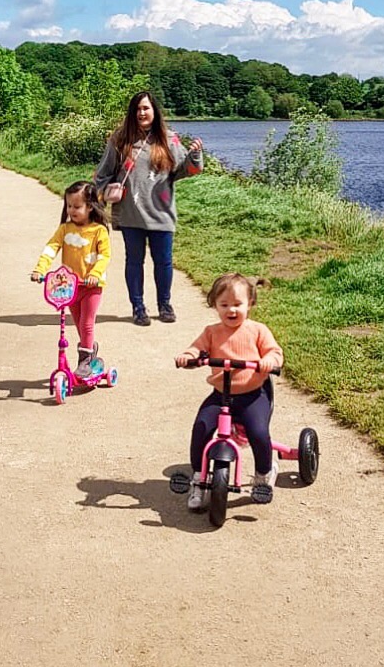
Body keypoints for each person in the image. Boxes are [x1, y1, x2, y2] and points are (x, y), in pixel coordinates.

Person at [175, 273, 283, 512]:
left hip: (253, 394)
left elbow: (275, 352)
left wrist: (268, 361)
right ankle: (198, 478)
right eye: (224, 305)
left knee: (258, 431)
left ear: (250, 303)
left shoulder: (257, 330)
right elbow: (196, 348)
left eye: (237, 304)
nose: (231, 310)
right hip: (220, 395)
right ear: (214, 305)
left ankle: (264, 474)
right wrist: (189, 356)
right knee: (202, 426)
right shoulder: (212, 332)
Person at [94, 91, 203, 327]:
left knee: (164, 261)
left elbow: (187, 171)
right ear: (132, 113)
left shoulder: (169, 140)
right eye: (138, 109)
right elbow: (102, 174)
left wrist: (195, 155)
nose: (142, 113)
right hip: (130, 213)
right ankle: (138, 308)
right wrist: (100, 198)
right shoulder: (120, 141)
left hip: (162, 212)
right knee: (134, 261)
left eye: (146, 108)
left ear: (154, 111)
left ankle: (165, 305)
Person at [30, 181, 111, 379]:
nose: (71, 210)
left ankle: (84, 360)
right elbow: (51, 248)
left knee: (86, 323)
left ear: (90, 206)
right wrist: (40, 269)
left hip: (91, 285)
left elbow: (104, 256)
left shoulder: (98, 231)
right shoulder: (65, 229)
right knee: (76, 323)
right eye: (69, 206)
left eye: (77, 206)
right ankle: (90, 349)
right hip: (69, 285)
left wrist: (95, 274)